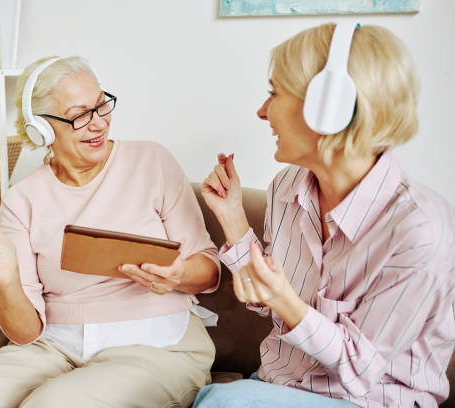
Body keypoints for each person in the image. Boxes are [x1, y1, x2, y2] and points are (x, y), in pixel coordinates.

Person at [0, 56, 220, 408]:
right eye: (80, 114)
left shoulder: (152, 161)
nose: (97, 124)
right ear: (41, 129)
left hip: (155, 342)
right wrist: (7, 280)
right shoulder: (23, 199)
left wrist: (179, 275)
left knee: (52, 404)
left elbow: (210, 270)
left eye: (101, 106)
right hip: (55, 345)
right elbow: (25, 333)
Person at [195, 23, 455, 408]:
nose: (262, 111)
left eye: (274, 93)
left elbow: (359, 370)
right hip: (279, 386)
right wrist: (233, 218)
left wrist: (286, 301)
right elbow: (268, 299)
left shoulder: (419, 229)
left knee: (223, 403)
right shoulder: (287, 187)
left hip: (372, 401)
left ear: (328, 108)